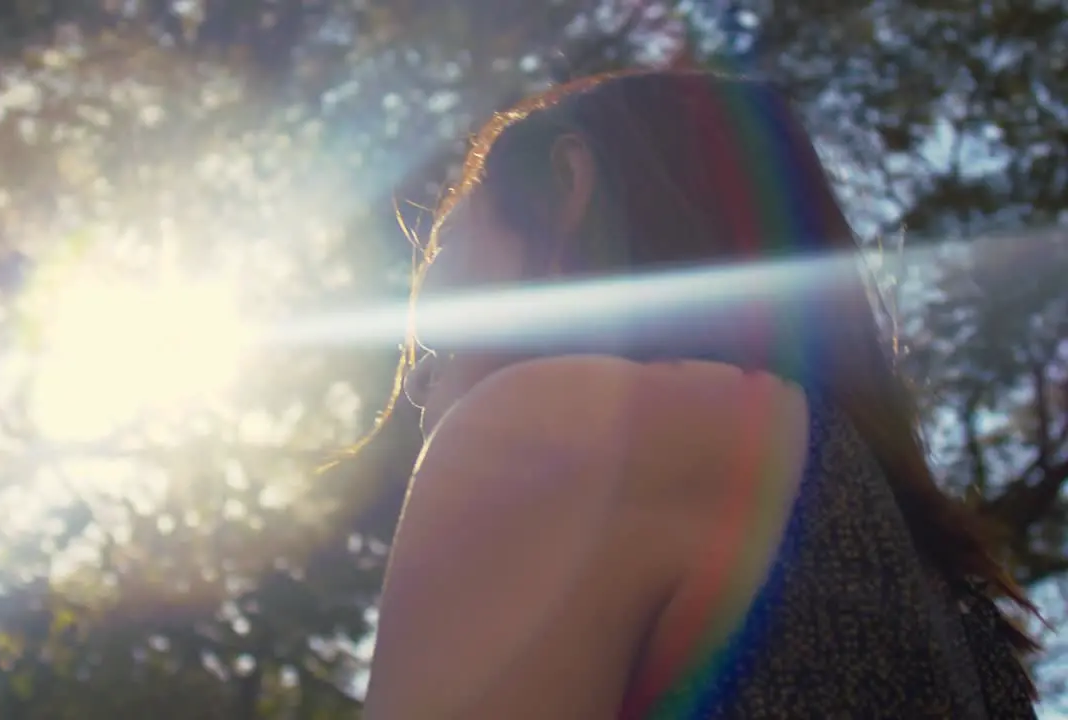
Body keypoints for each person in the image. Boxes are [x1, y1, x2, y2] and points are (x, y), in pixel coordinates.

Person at [361, 69, 1040, 718]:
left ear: (570, 185)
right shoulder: (945, 597)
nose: (421, 384)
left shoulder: (563, 431)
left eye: (450, 243)